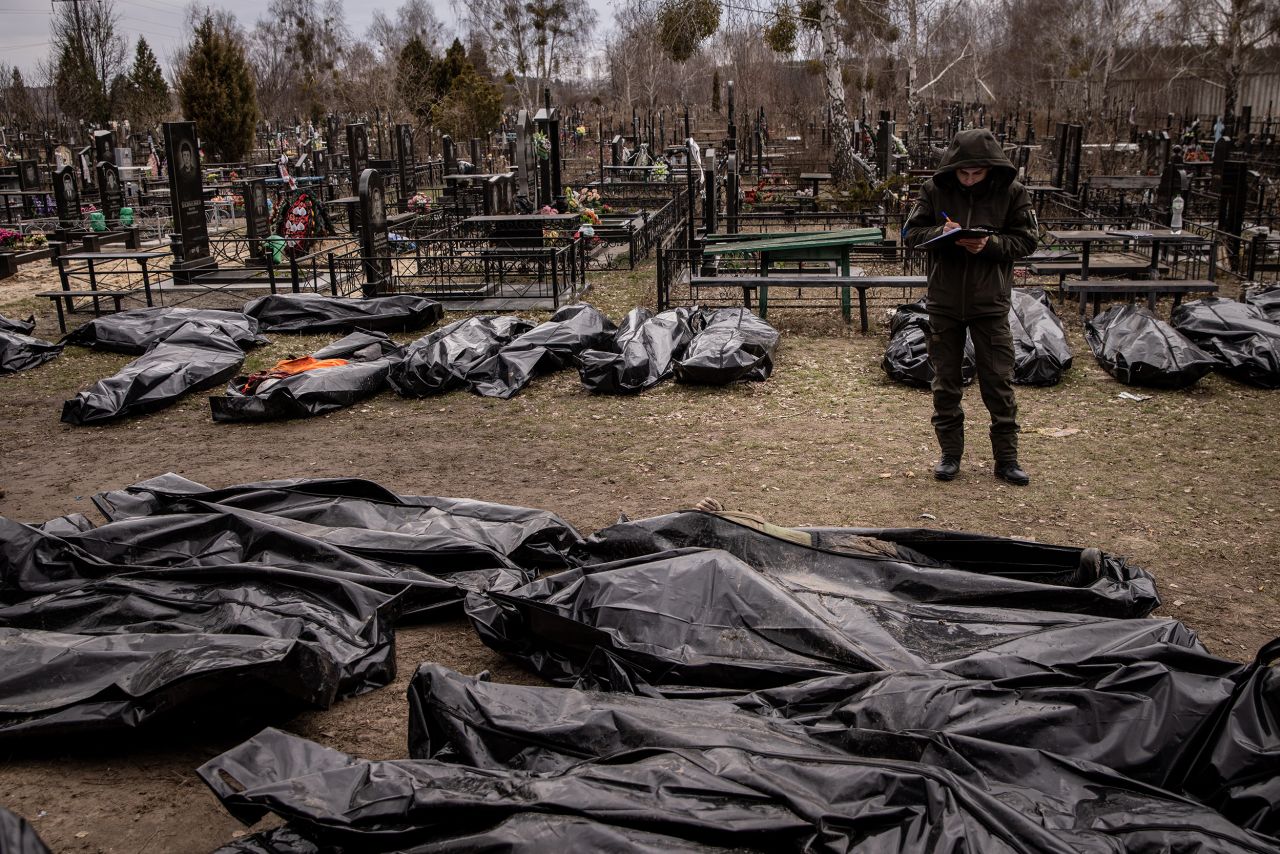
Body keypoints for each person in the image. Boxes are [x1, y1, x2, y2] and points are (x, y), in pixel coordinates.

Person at [903, 128, 1038, 486]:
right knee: (945, 382)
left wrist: (990, 244)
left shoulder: (1012, 192)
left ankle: (1007, 460)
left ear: (990, 168)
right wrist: (940, 234)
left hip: (989, 302)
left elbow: (1027, 240)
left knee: (998, 381)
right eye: (964, 173)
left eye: (977, 173)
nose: (969, 179)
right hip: (944, 301)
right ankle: (950, 455)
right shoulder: (935, 189)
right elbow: (910, 234)